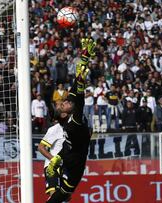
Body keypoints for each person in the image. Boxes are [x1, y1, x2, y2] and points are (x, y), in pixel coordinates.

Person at [45, 38, 95, 203]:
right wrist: (56, 158)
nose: (64, 101)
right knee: (60, 193)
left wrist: (85, 57)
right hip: (73, 162)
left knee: (63, 196)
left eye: (63, 102)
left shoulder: (71, 108)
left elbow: (77, 81)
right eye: (62, 105)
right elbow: (80, 97)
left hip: (69, 157)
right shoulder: (74, 121)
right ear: (64, 114)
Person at [37, 119, 66, 197]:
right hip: (52, 166)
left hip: (65, 167)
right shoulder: (55, 129)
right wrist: (54, 160)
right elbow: (41, 147)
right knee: (54, 195)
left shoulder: (73, 129)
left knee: (65, 197)